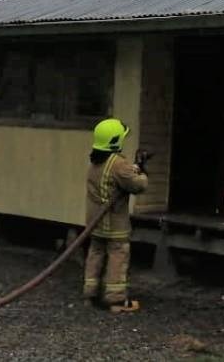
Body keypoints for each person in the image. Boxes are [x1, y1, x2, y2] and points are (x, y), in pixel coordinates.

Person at [83, 118, 148, 312]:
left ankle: (90, 293)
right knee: (117, 256)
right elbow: (138, 185)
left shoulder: (95, 161)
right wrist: (142, 171)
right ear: (115, 140)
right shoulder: (118, 163)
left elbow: (115, 178)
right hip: (114, 224)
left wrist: (133, 168)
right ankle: (116, 300)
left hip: (95, 223)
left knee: (95, 254)